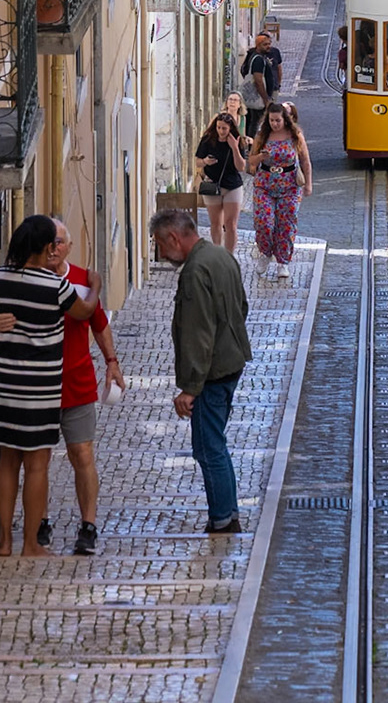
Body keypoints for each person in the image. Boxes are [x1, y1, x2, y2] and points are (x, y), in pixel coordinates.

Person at [0, 215, 106, 555]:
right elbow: (84, 312)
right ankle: (30, 544)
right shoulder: (54, 286)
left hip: (3, 383)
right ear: (46, 248)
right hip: (40, 388)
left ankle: (4, 542)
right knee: (36, 465)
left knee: (7, 460)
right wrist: (95, 284)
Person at [153, 209, 253, 534]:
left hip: (212, 373)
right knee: (214, 442)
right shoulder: (221, 256)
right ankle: (228, 511)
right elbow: (242, 308)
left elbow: (197, 333)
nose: (161, 253)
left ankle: (223, 517)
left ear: (174, 237)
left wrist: (189, 389)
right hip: (231, 362)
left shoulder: (195, 271)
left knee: (209, 447)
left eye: (160, 245)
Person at [248, 103, 312, 277]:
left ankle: (283, 262)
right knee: (264, 222)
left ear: (285, 119)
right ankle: (266, 253)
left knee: (286, 224)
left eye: (278, 120)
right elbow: (251, 161)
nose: (275, 124)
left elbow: (305, 160)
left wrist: (308, 184)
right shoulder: (262, 135)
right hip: (265, 185)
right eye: (272, 120)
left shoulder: (295, 135)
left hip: (290, 185)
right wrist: (261, 156)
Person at [196, 112, 249, 253]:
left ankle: (229, 256)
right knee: (215, 223)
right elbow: (197, 161)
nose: (221, 131)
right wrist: (205, 161)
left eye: (224, 128)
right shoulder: (208, 139)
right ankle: (218, 252)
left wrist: (235, 148)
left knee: (231, 224)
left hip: (232, 186)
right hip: (212, 185)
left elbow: (241, 167)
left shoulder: (238, 141)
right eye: (219, 127)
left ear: (230, 128)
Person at [239, 31, 283, 138]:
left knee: (253, 120)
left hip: (259, 96)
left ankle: (251, 144)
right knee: (257, 122)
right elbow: (258, 80)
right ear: (258, 45)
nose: (268, 47)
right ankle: (252, 145)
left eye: (269, 44)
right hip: (258, 97)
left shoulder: (258, 57)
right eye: (265, 45)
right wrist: (265, 99)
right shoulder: (258, 59)